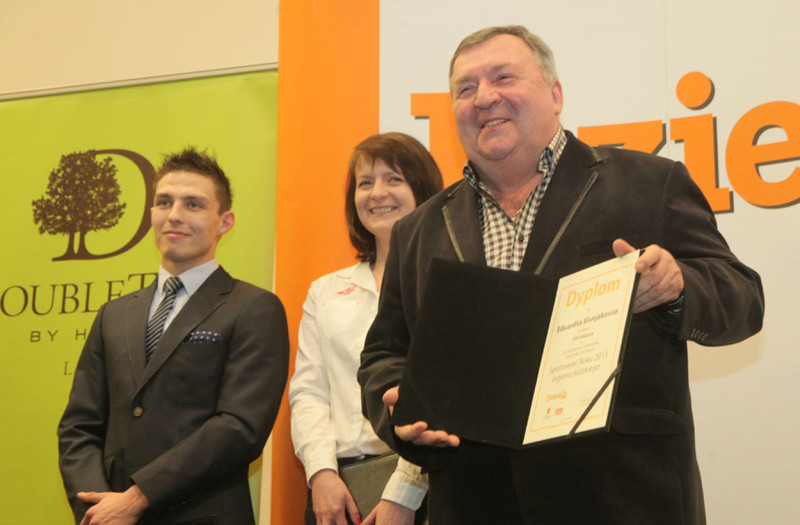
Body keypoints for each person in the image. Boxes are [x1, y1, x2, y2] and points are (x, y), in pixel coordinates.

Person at [358, 26, 764, 525]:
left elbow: (743, 298)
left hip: (623, 501)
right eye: (465, 88)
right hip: (472, 504)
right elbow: (384, 355)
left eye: (503, 77)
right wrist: (398, 408)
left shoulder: (649, 183)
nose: (483, 98)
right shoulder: (419, 230)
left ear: (555, 94)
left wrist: (678, 287)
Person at [57, 148, 289, 525]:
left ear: (225, 222)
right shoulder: (114, 314)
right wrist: (97, 509)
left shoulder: (253, 308)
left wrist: (138, 498)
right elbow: (78, 427)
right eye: (164, 202)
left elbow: (239, 427)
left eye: (193, 204)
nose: (174, 215)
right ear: (151, 213)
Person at [289, 133, 443, 525]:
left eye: (394, 179)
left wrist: (403, 493)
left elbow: (443, 401)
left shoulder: (446, 282)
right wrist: (321, 475)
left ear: (422, 190)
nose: (377, 194)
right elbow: (309, 392)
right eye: (365, 183)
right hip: (338, 493)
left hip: (428, 487)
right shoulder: (325, 291)